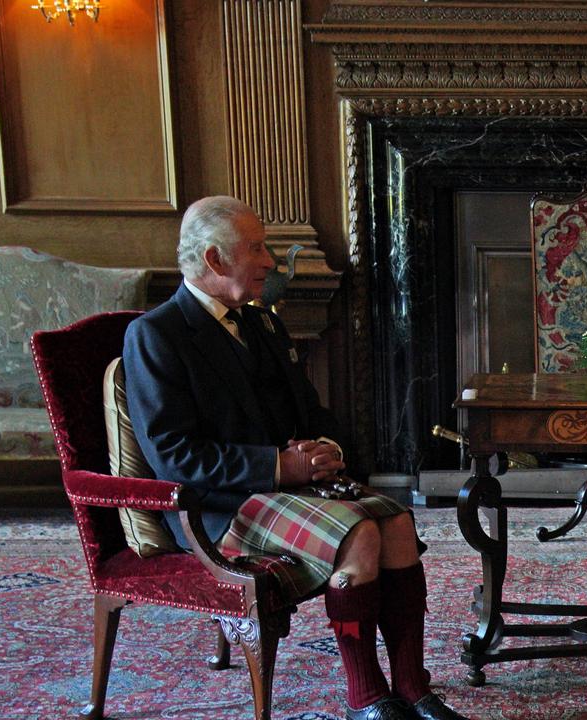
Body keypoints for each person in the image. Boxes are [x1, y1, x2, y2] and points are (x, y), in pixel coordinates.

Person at [123, 196, 472, 720]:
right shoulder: (156, 335)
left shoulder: (260, 322)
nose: (269, 262)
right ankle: (367, 697)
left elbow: (311, 412)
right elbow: (174, 457)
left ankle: (412, 687)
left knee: (397, 521)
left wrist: (327, 449)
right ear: (215, 260)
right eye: (257, 249)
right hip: (220, 510)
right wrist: (278, 467)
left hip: (287, 493)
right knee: (362, 533)